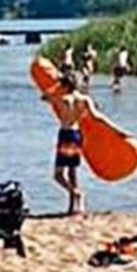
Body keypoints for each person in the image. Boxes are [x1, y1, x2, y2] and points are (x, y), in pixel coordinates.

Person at [45, 69, 94, 216]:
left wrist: (57, 86)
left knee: (58, 175)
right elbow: (96, 116)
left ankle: (75, 193)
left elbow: (45, 96)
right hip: (77, 135)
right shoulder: (84, 99)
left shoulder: (63, 99)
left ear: (65, 85)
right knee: (73, 172)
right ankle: (74, 207)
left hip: (66, 135)